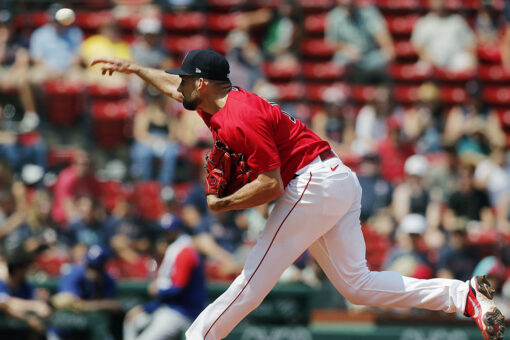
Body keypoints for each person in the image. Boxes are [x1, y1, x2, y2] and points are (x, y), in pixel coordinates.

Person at [91, 49, 505, 340]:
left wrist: (224, 203)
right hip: (335, 179)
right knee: (357, 286)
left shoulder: (237, 119)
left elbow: (270, 184)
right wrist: (135, 69)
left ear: (201, 83)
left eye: (185, 80)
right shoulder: (218, 101)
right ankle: (463, 295)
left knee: (252, 282)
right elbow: (173, 87)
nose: (179, 85)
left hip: (311, 184)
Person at [123, 214, 206, 340]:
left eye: (168, 233)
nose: (164, 236)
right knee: (132, 320)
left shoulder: (185, 252)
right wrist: (146, 308)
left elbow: (178, 290)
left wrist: (158, 290)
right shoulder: (174, 251)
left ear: (176, 232)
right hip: (168, 309)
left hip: (182, 313)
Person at [325, 0, 395, 84]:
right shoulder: (334, 16)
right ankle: (342, 91)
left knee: (384, 58)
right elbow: (332, 43)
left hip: (370, 55)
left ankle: (381, 91)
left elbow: (383, 38)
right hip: (349, 57)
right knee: (339, 61)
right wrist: (347, 48)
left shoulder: (369, 12)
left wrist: (387, 50)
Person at [411, 0, 477, 72]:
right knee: (420, 69)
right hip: (432, 60)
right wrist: (428, 59)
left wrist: (472, 58)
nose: (438, 3)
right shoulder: (424, 22)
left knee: (468, 62)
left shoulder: (457, 20)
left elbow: (469, 43)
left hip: (455, 59)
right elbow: (418, 45)